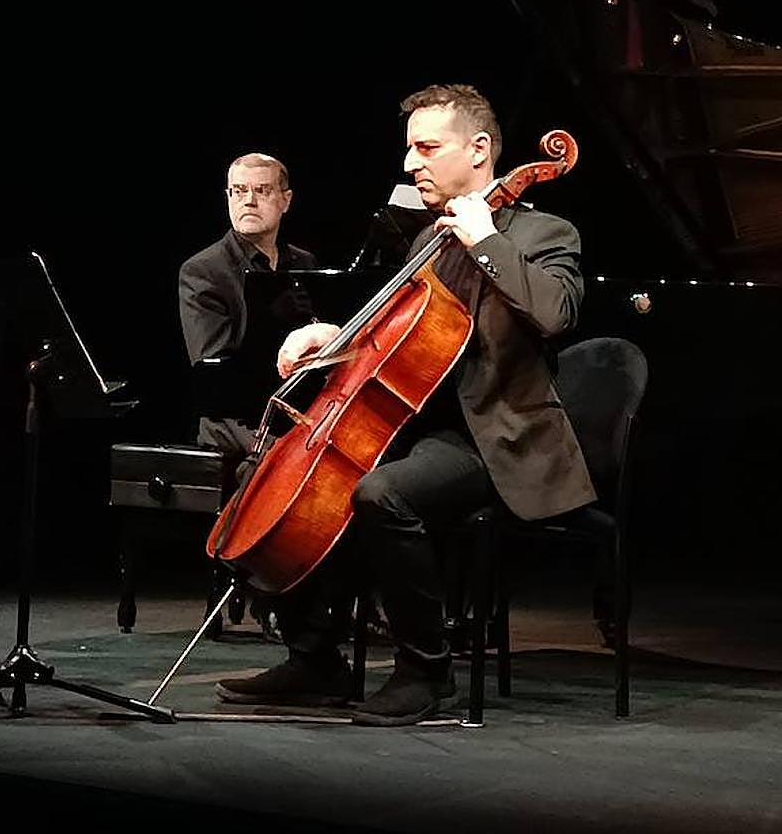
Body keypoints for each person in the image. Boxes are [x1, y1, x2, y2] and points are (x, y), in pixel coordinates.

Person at [215, 84, 595, 725]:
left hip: (494, 439)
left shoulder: (543, 232)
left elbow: (556, 314)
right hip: (415, 429)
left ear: (479, 150)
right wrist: (330, 338)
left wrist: (486, 242)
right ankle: (315, 659)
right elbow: (393, 338)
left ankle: (426, 671)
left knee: (383, 493)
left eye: (426, 148)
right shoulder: (426, 241)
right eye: (410, 149)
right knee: (274, 475)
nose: (410, 163)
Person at [178, 153, 334, 640]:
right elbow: (213, 365)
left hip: (295, 410)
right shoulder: (204, 270)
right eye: (238, 191)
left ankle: (332, 598)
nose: (248, 200)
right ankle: (276, 599)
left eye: (262, 190)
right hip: (233, 417)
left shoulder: (304, 264)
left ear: (285, 200)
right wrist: (271, 324)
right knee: (278, 467)